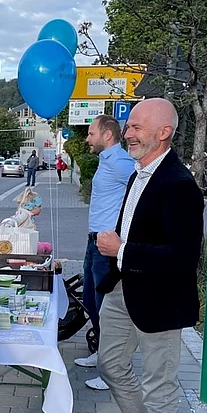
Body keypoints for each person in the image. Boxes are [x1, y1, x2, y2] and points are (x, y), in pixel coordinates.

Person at [94, 98, 204, 413]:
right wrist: (120, 261)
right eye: (129, 126)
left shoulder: (179, 185)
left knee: (160, 391)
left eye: (138, 126)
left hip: (160, 299)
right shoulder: (138, 174)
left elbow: (181, 258)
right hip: (124, 290)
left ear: (164, 133)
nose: (129, 132)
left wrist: (122, 250)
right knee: (110, 365)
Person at [76, 115, 135, 391]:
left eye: (91, 134)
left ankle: (113, 369)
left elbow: (141, 187)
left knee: (106, 306)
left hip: (107, 246)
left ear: (107, 135)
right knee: (90, 299)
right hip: (94, 242)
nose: (87, 139)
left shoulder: (121, 162)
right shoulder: (106, 161)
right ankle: (101, 354)